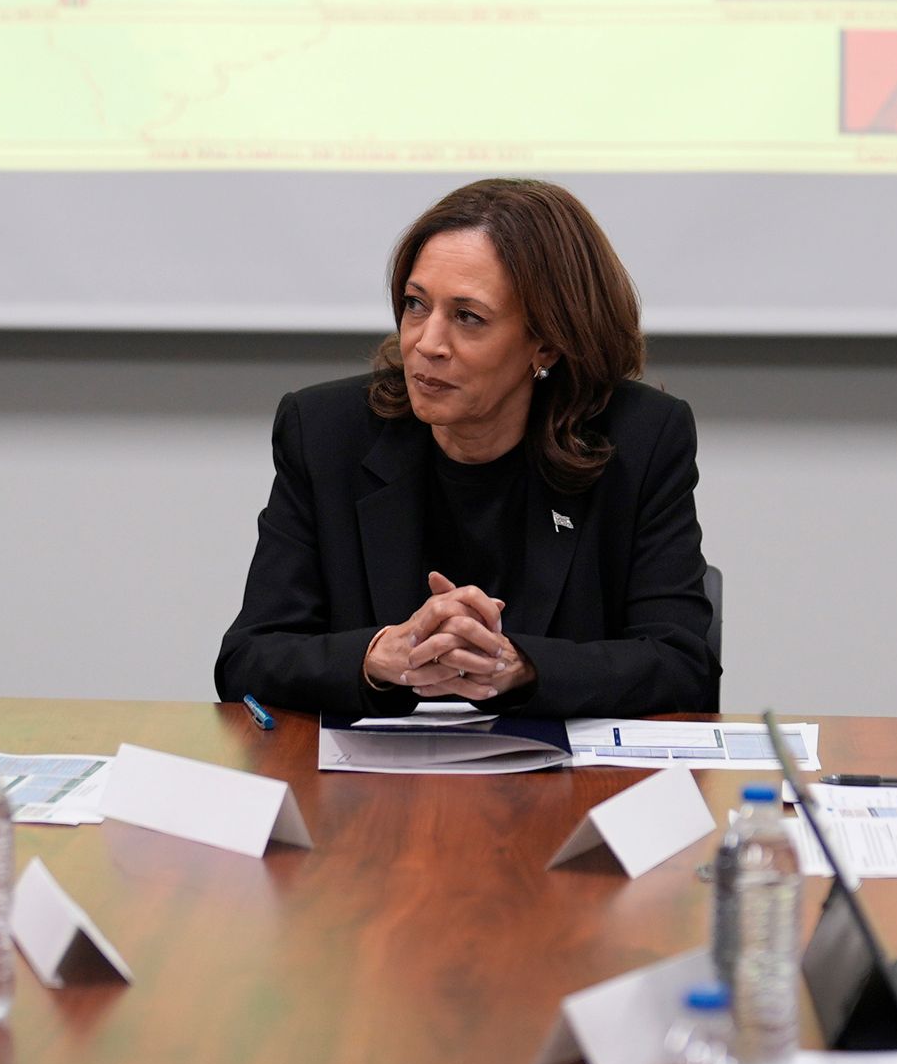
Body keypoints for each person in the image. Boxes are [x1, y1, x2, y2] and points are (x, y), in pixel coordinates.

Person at [215, 177, 720, 721]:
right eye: (415, 305)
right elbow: (247, 658)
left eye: (467, 317)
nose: (427, 344)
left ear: (546, 341)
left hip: (565, 789)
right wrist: (377, 655)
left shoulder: (640, 439)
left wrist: (520, 665)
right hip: (369, 793)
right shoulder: (325, 432)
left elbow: (681, 665)